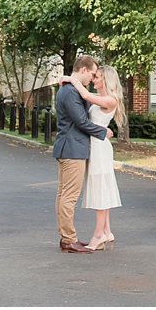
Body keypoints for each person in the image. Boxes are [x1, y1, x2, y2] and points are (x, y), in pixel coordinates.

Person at [63, 65, 126, 251]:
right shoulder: (101, 100)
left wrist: (72, 79)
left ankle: (98, 235)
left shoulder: (110, 100)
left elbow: (85, 96)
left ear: (105, 80)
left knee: (100, 190)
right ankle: (106, 231)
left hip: (99, 148)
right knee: (101, 188)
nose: (94, 80)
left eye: (97, 77)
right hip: (96, 146)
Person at [53, 54, 109, 253]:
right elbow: (81, 122)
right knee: (69, 196)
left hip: (67, 147)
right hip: (72, 149)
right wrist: (104, 132)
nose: (92, 79)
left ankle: (66, 238)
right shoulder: (69, 92)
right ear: (83, 70)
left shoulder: (69, 88)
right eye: (92, 74)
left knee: (63, 195)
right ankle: (69, 239)